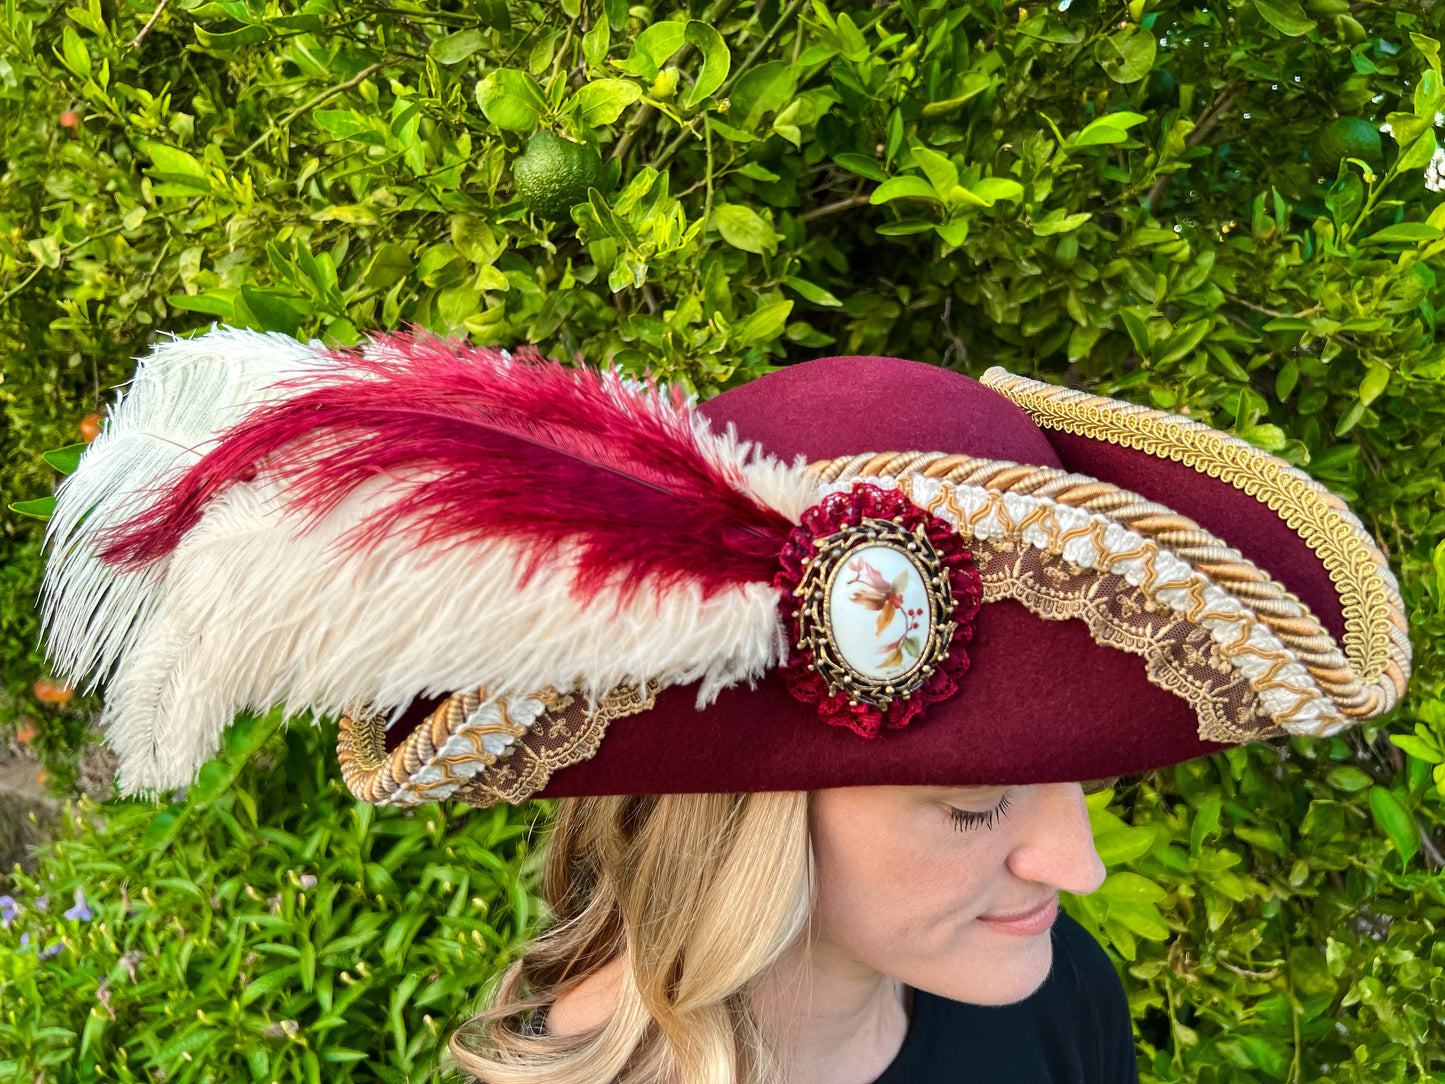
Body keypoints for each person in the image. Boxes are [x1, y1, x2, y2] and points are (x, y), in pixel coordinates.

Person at [40, 330, 1411, 1084]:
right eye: (973, 804)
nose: (1075, 864)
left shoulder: (1054, 1010)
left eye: (1074, 787)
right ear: (748, 816)